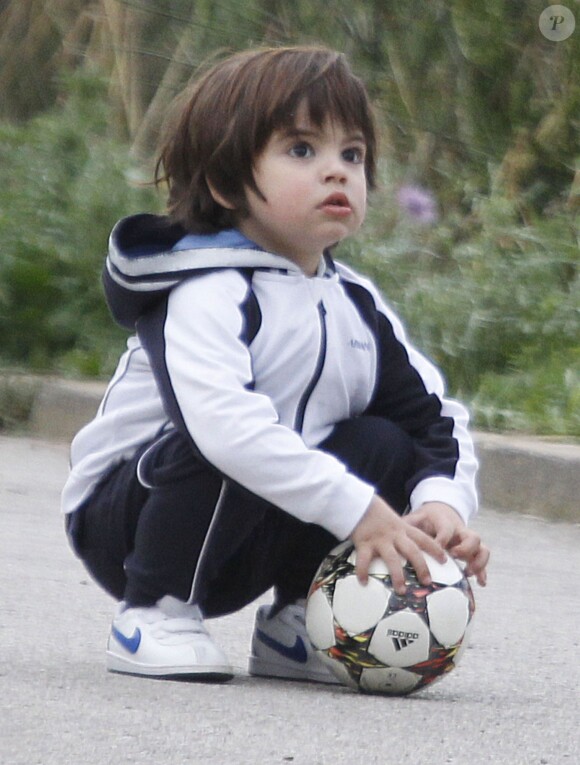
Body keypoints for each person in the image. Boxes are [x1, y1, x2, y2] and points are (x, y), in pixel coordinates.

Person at [62, 46, 489, 683]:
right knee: (229, 441)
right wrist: (360, 510)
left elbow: (434, 422)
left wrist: (442, 504)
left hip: (253, 528)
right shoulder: (204, 288)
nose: (337, 173)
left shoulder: (356, 307)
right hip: (131, 525)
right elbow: (225, 429)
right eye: (301, 151)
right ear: (226, 184)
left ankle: (299, 621)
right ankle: (151, 613)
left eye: (352, 155)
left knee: (381, 440)